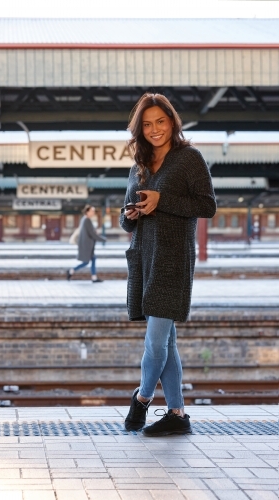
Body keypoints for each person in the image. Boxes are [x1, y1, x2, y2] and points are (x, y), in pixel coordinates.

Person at [120, 93, 216, 436]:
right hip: (145, 258)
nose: (154, 129)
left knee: (155, 343)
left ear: (172, 122)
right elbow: (126, 219)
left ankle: (142, 399)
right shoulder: (139, 165)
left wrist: (163, 200)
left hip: (173, 260)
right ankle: (177, 414)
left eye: (160, 121)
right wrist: (129, 214)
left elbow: (207, 206)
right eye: (146, 124)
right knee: (167, 343)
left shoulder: (189, 158)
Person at [67, 205, 106, 283]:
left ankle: (93, 277)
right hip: (87, 246)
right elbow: (92, 234)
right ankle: (72, 271)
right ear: (87, 211)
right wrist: (103, 239)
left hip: (87, 245)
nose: (93, 212)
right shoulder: (86, 220)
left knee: (90, 260)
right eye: (92, 211)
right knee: (86, 262)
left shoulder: (84, 219)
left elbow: (90, 232)